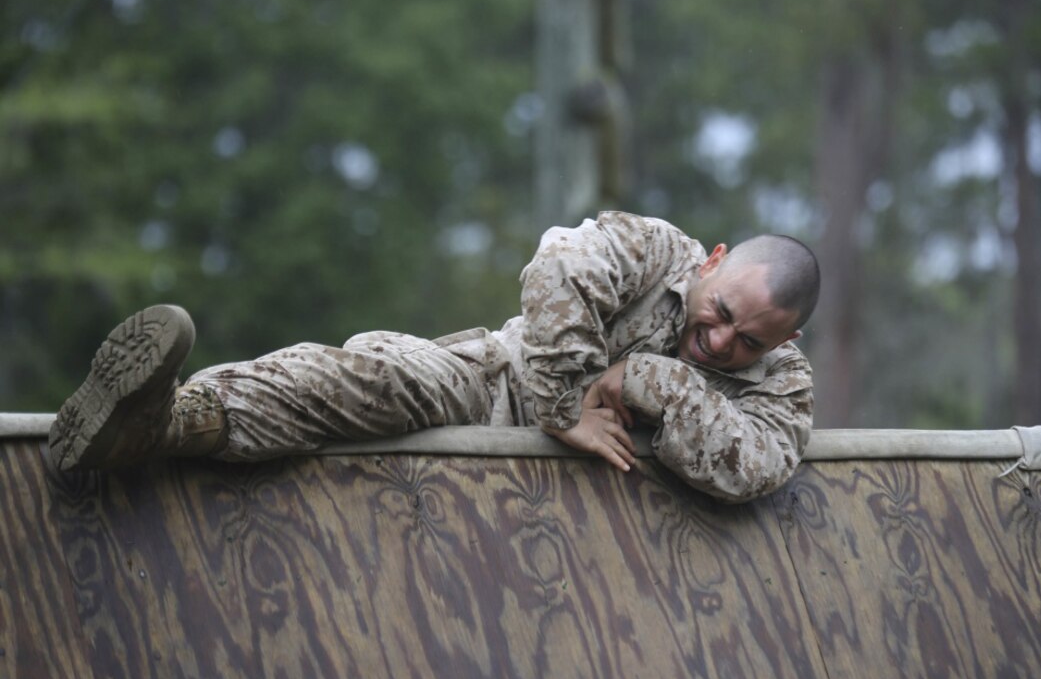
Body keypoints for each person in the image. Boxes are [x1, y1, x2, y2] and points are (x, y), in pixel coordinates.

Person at [49, 210, 820, 502]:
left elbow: (753, 465)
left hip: (588, 501)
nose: (719, 341)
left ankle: (159, 422)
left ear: (782, 341)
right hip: (493, 389)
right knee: (373, 377)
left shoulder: (783, 383)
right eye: (718, 312)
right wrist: (562, 406)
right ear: (712, 262)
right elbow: (560, 268)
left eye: (746, 340)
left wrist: (647, 376)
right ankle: (169, 418)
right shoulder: (654, 250)